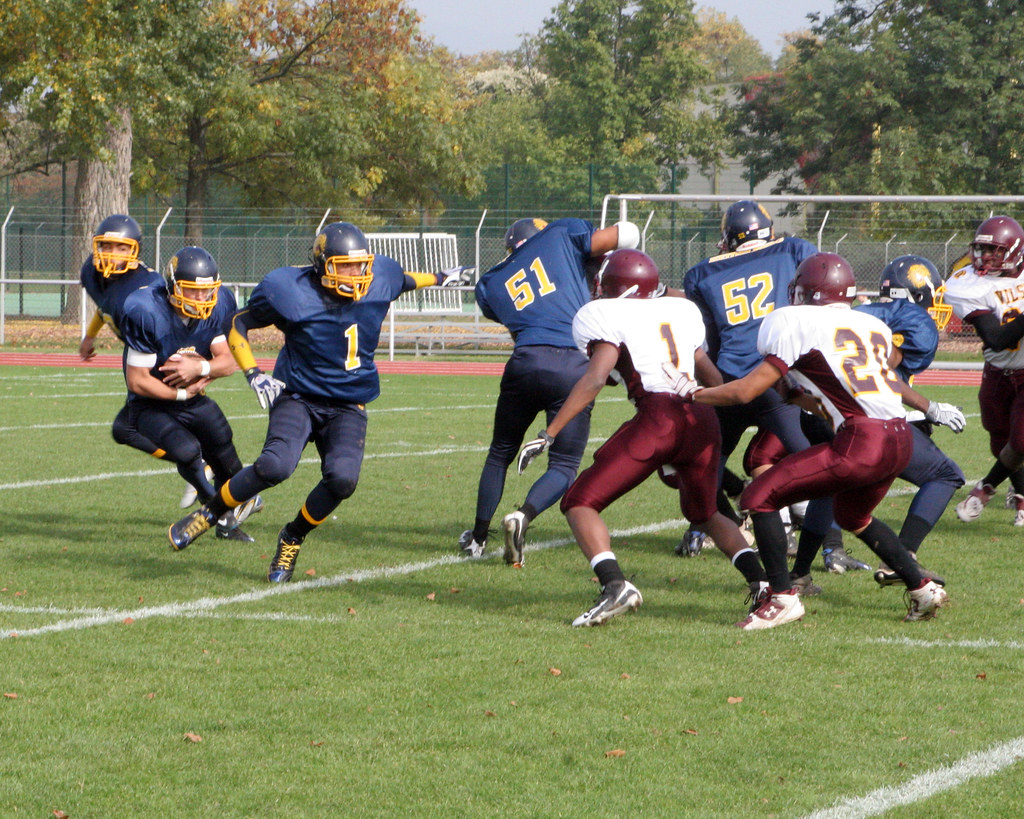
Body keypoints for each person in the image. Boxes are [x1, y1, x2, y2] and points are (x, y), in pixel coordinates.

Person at [166, 221, 468, 580]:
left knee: (343, 481)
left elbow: (404, 279)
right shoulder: (291, 290)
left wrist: (440, 277)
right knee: (275, 466)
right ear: (323, 265)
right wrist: (253, 372)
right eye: (346, 266)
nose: (357, 274)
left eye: (361, 265)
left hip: (349, 403)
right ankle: (210, 513)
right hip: (298, 395)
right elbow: (237, 323)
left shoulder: (380, 277)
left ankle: (292, 537)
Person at [667, 252, 950, 628]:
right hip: (900, 437)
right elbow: (840, 387)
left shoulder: (794, 321)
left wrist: (692, 393)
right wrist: (795, 394)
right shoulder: (870, 325)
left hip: (863, 439)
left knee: (759, 496)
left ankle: (782, 598)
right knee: (853, 516)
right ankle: (922, 588)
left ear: (805, 291)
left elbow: (745, 391)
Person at [517, 249, 768, 627]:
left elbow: (595, 378)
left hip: (658, 418)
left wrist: (548, 433)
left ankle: (614, 585)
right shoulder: (680, 312)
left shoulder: (606, 314)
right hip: (701, 417)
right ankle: (762, 583)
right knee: (705, 513)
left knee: (579, 502)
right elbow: (713, 379)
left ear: (613, 286)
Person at [756, 255, 965, 592]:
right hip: (864, 424)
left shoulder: (839, 316)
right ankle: (903, 558)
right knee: (945, 473)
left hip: (820, 412)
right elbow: (887, 372)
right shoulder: (900, 319)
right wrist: (928, 408)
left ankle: (801, 572)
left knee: (830, 487)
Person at [683, 200, 864, 581]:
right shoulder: (793, 249)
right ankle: (831, 547)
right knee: (824, 465)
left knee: (702, 465)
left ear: (729, 237)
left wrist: (714, 387)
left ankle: (709, 528)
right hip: (777, 379)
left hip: (730, 379)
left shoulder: (701, 273)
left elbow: (710, 339)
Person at [459, 215, 641, 568]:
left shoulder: (489, 283)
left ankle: (478, 537)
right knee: (564, 464)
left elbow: (519, 313)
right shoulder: (560, 234)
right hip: (573, 364)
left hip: (525, 360)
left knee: (500, 453)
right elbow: (629, 234)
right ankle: (524, 515)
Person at [120, 246, 262, 541]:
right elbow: (137, 381)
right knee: (186, 450)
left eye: (207, 290)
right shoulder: (146, 310)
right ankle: (217, 511)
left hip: (192, 397)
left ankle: (231, 519)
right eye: (192, 290)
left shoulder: (220, 304)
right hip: (150, 405)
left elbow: (229, 360)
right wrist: (183, 394)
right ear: (173, 286)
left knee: (224, 449)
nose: (201, 298)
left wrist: (199, 369)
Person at [944, 216, 1024, 525]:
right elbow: (996, 338)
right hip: (997, 370)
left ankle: (985, 489)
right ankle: (1022, 499)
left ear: (1015, 251)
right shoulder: (968, 283)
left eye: (995, 250)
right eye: (982, 249)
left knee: (1021, 441)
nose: (985, 256)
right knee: (999, 441)